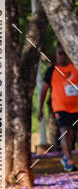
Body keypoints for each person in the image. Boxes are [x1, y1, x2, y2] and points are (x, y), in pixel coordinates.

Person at [38, 43, 78, 172]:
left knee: (72, 135)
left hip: (76, 108)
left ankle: (67, 157)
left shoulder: (75, 67)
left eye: (65, 52)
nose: (63, 56)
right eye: (60, 53)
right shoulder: (51, 71)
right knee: (65, 132)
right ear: (56, 55)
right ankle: (70, 161)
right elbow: (44, 90)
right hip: (60, 107)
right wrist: (40, 108)